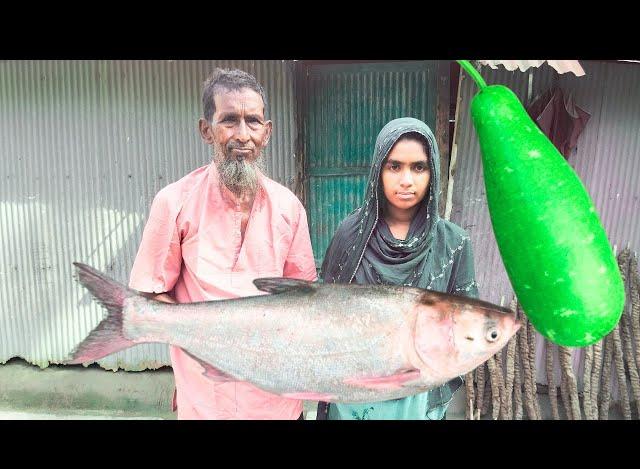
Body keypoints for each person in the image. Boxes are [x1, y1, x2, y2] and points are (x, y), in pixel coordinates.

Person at [128, 68, 317, 420]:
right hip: (205, 401)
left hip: (275, 403)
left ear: (268, 132)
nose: (242, 135)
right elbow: (148, 294)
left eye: (253, 122)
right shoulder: (174, 202)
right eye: (229, 120)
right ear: (206, 129)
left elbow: (301, 301)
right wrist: (209, 336)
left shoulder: (290, 208)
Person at [317, 117, 479, 420]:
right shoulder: (349, 235)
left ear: (433, 172)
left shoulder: (453, 243)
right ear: (378, 170)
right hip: (356, 396)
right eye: (394, 166)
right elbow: (326, 315)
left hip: (419, 399)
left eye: (418, 167)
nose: (406, 180)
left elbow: (464, 331)